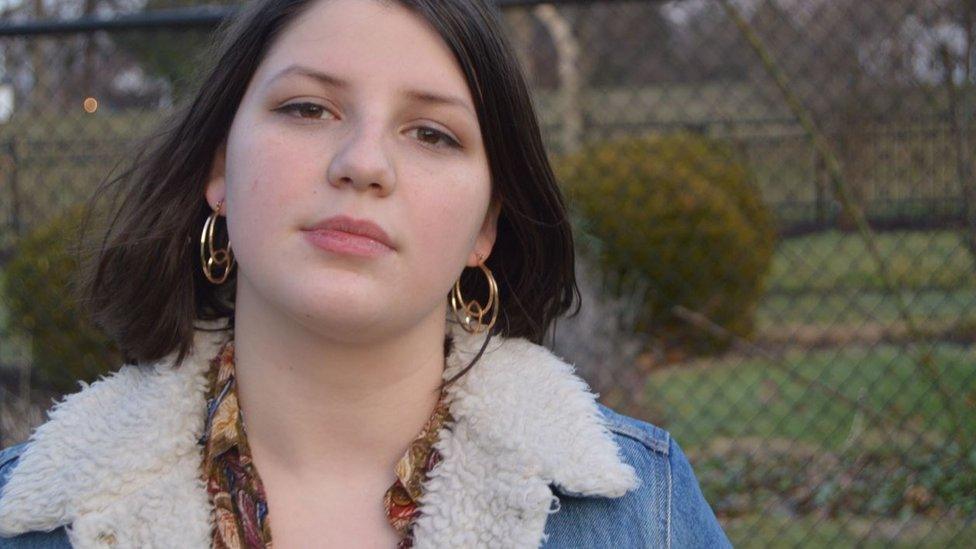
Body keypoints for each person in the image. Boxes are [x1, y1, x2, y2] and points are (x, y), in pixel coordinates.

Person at [0, 0, 731, 547]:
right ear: (219, 168)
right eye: (308, 107)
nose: (363, 163)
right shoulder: (28, 519)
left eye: (432, 132)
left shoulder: (643, 515)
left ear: (487, 225)